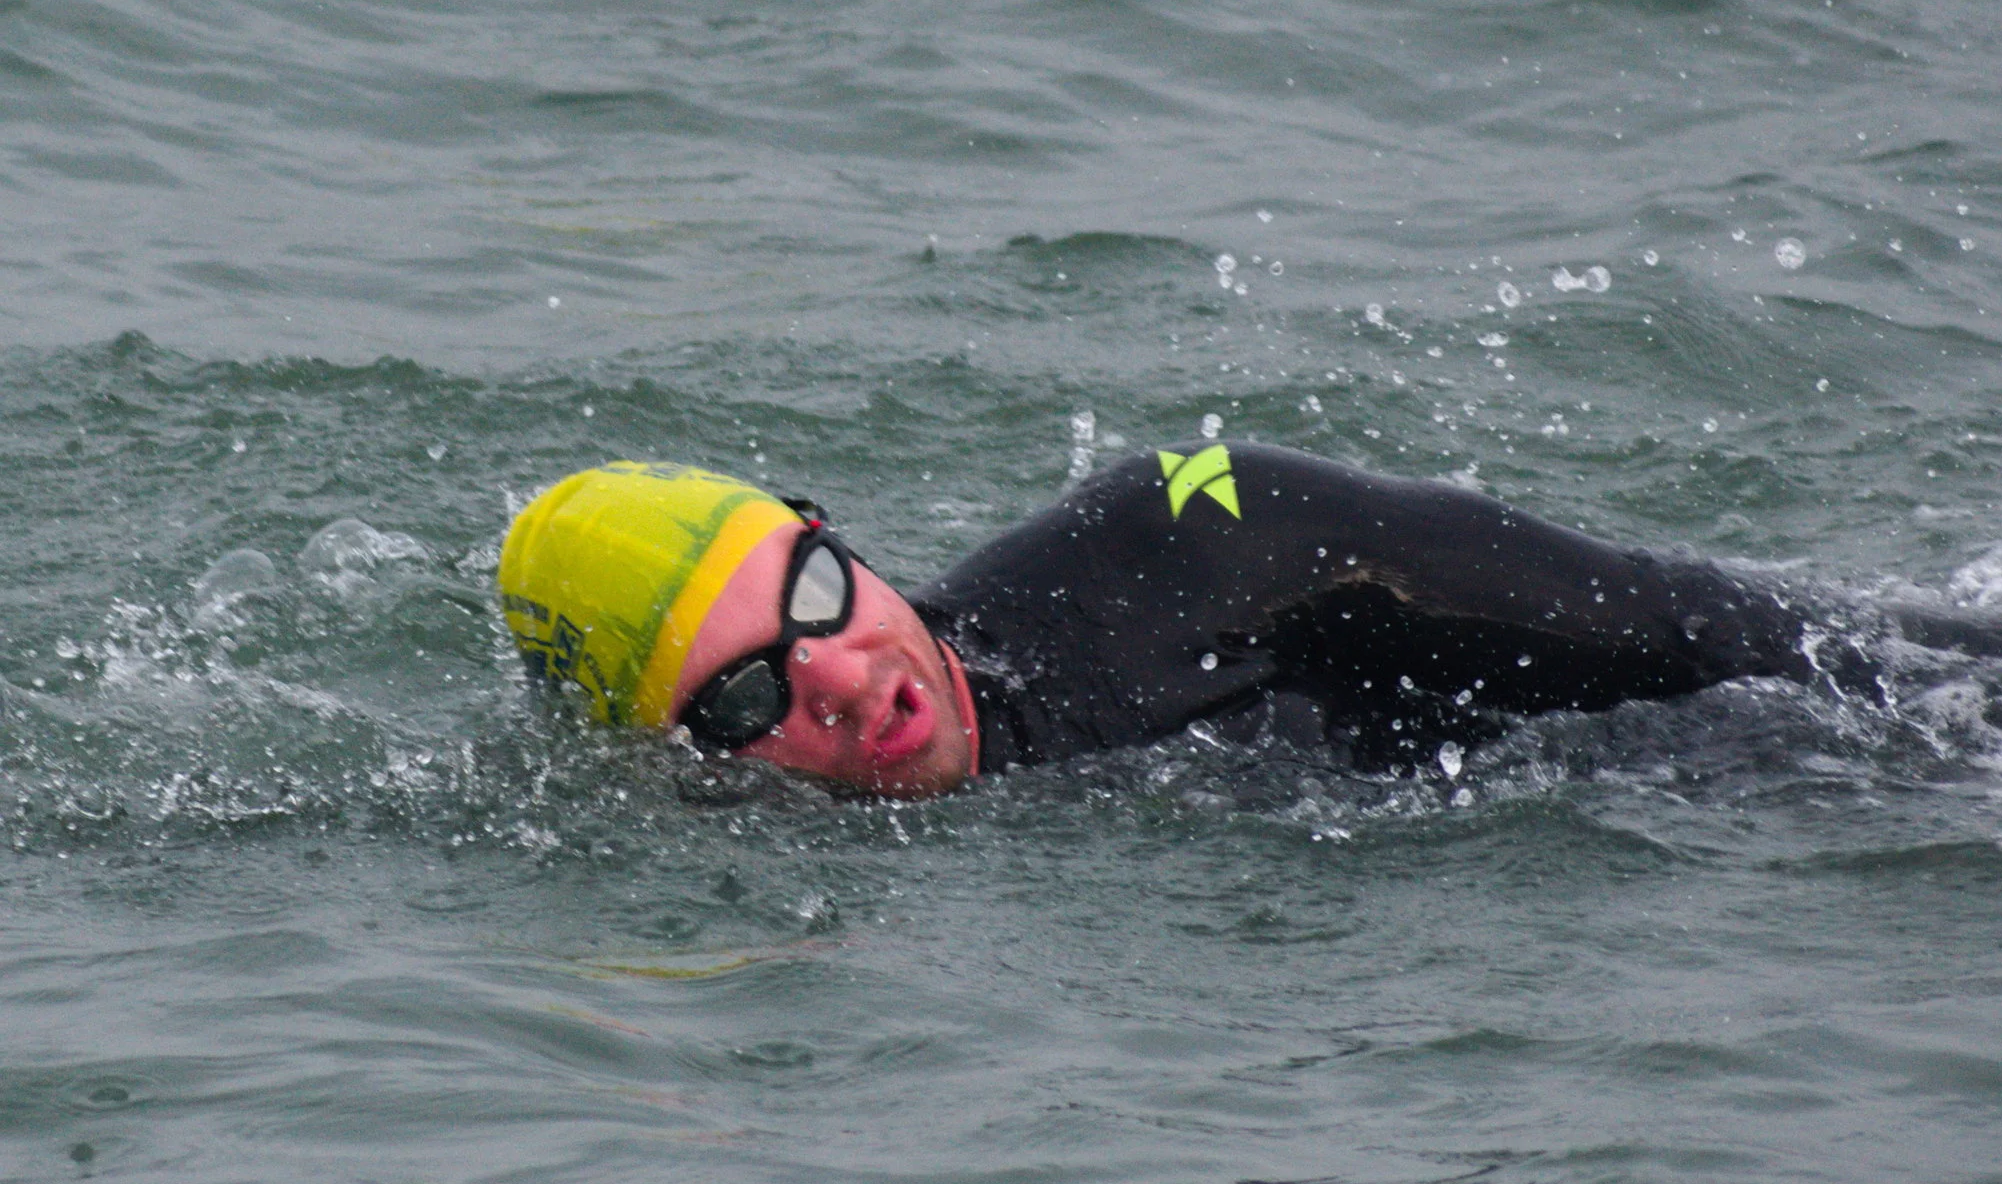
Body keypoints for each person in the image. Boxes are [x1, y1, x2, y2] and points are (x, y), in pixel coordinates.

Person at [497, 444, 1909, 799]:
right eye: (744, 699)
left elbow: (1721, 634)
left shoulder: (1189, 549)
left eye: (813, 597)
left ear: (837, 537)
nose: (840, 679)